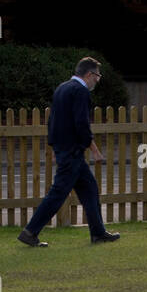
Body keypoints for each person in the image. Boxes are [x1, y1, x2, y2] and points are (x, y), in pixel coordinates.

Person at [18, 58, 120, 247]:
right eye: (98, 76)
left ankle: (98, 233)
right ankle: (30, 232)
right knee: (58, 193)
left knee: (89, 189)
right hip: (73, 152)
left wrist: (54, 147)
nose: (98, 80)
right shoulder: (80, 91)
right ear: (89, 74)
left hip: (66, 151)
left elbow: (53, 121)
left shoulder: (62, 88)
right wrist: (95, 150)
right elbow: (81, 124)